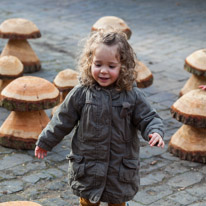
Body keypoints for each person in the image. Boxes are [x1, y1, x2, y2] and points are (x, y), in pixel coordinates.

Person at [35, 30, 165, 206]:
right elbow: (62, 120)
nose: (104, 71)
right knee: (88, 200)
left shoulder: (132, 95)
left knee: (117, 201)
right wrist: (45, 141)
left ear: (123, 67)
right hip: (88, 166)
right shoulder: (81, 93)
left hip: (119, 168)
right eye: (98, 64)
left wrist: (155, 131)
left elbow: (148, 117)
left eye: (111, 66)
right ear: (89, 63)